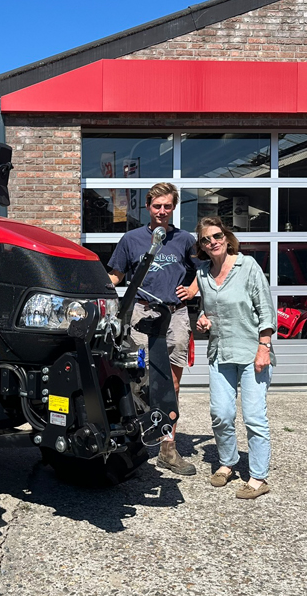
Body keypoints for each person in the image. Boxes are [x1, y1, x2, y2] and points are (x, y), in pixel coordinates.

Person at [107, 182, 198, 476]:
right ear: (147, 207)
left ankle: (168, 450)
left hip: (175, 317)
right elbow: (116, 275)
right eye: (157, 206)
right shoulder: (131, 239)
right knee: (139, 383)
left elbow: (206, 271)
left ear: (173, 208)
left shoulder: (184, 240)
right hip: (141, 316)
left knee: (170, 385)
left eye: (167, 206)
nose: (162, 211)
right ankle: (137, 443)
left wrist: (193, 289)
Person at [194, 216, 276, 499]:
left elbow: (265, 308)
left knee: (254, 417)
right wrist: (203, 321)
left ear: (227, 238)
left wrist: (264, 346)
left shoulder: (247, 266)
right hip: (220, 352)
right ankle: (227, 463)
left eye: (216, 236)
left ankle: (258, 476)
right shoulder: (203, 274)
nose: (212, 242)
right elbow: (207, 310)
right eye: (206, 239)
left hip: (252, 351)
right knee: (221, 414)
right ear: (202, 246)